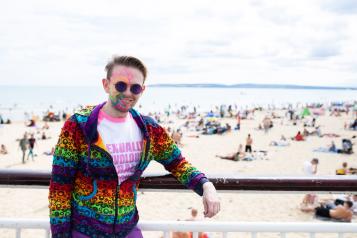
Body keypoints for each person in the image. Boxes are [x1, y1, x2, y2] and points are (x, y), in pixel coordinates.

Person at [48, 56, 220, 238]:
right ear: (106, 85)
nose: (128, 93)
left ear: (142, 90)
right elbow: (60, 187)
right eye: (121, 85)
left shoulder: (149, 129)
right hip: (84, 231)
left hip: (127, 230)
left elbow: (177, 163)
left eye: (135, 88)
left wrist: (206, 185)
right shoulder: (79, 125)